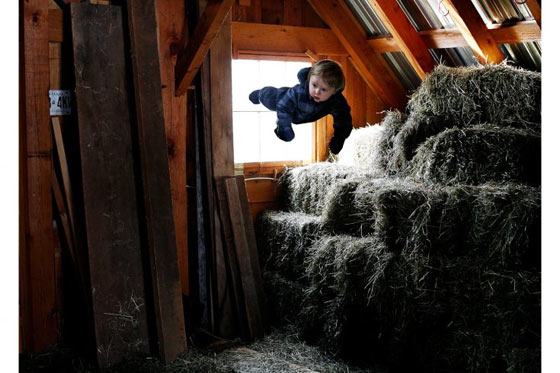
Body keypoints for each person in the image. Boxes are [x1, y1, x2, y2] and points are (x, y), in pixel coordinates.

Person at [248, 59, 353, 155]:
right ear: (309, 79)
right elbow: (284, 107)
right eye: (314, 85)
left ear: (334, 91)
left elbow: (344, 120)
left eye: (324, 89)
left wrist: (339, 139)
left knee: (342, 117)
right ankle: (259, 94)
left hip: (309, 113)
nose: (317, 92)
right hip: (287, 103)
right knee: (269, 98)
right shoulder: (298, 91)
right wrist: (284, 128)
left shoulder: (337, 101)